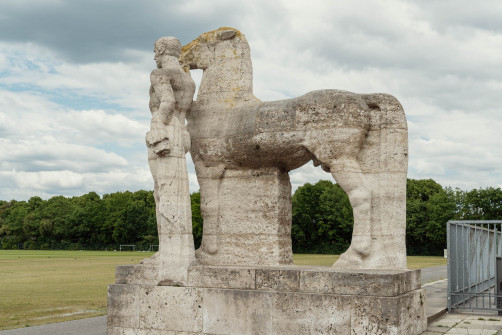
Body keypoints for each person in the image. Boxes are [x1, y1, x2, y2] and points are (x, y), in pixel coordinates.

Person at [143, 36, 196, 284]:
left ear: (162, 50)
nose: (154, 54)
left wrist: (156, 124)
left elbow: (168, 102)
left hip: (166, 129)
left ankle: (170, 253)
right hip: (182, 131)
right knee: (176, 191)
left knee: (164, 193)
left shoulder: (159, 73)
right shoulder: (187, 78)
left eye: (156, 50)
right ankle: (174, 250)